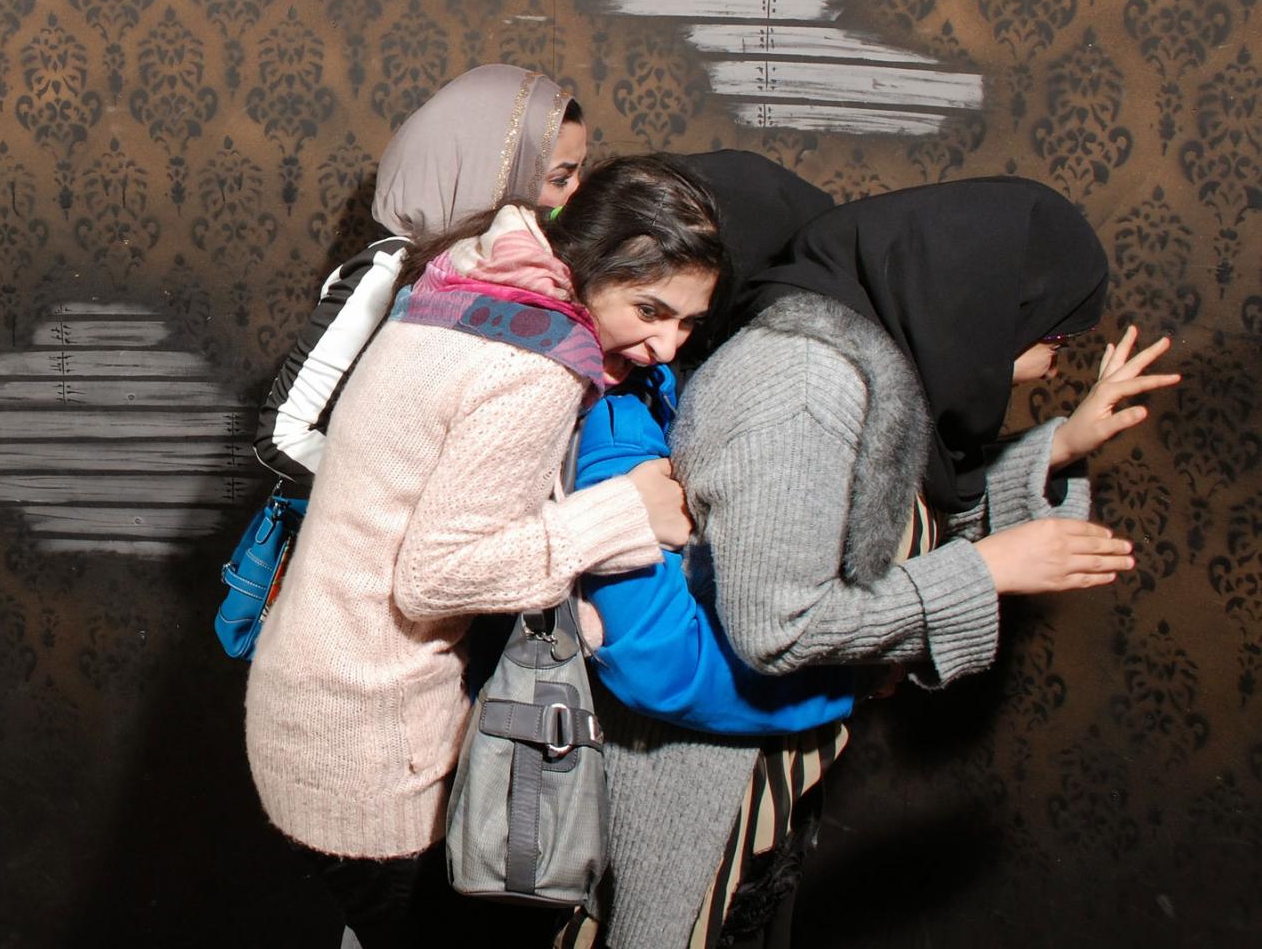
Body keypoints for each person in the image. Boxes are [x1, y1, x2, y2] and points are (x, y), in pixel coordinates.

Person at [562, 177, 1180, 949]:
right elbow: (774, 627)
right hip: (706, 779)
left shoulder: (867, 360)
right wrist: (983, 570)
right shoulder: (804, 383)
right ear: (985, 302)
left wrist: (1057, 445)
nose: (1048, 366)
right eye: (1048, 340)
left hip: (761, 771)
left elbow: (877, 512)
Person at [244, 153, 728, 946]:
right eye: (649, 309)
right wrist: (621, 514)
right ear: (591, 264)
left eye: (685, 323)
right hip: (372, 738)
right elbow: (438, 576)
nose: (666, 346)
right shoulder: (532, 363)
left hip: (314, 701)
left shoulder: (470, 283)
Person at [255, 63, 587, 483]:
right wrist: (406, 495)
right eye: (561, 177)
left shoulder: (528, 275)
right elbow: (282, 435)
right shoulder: (388, 268)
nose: (576, 192)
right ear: (492, 171)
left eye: (580, 171)